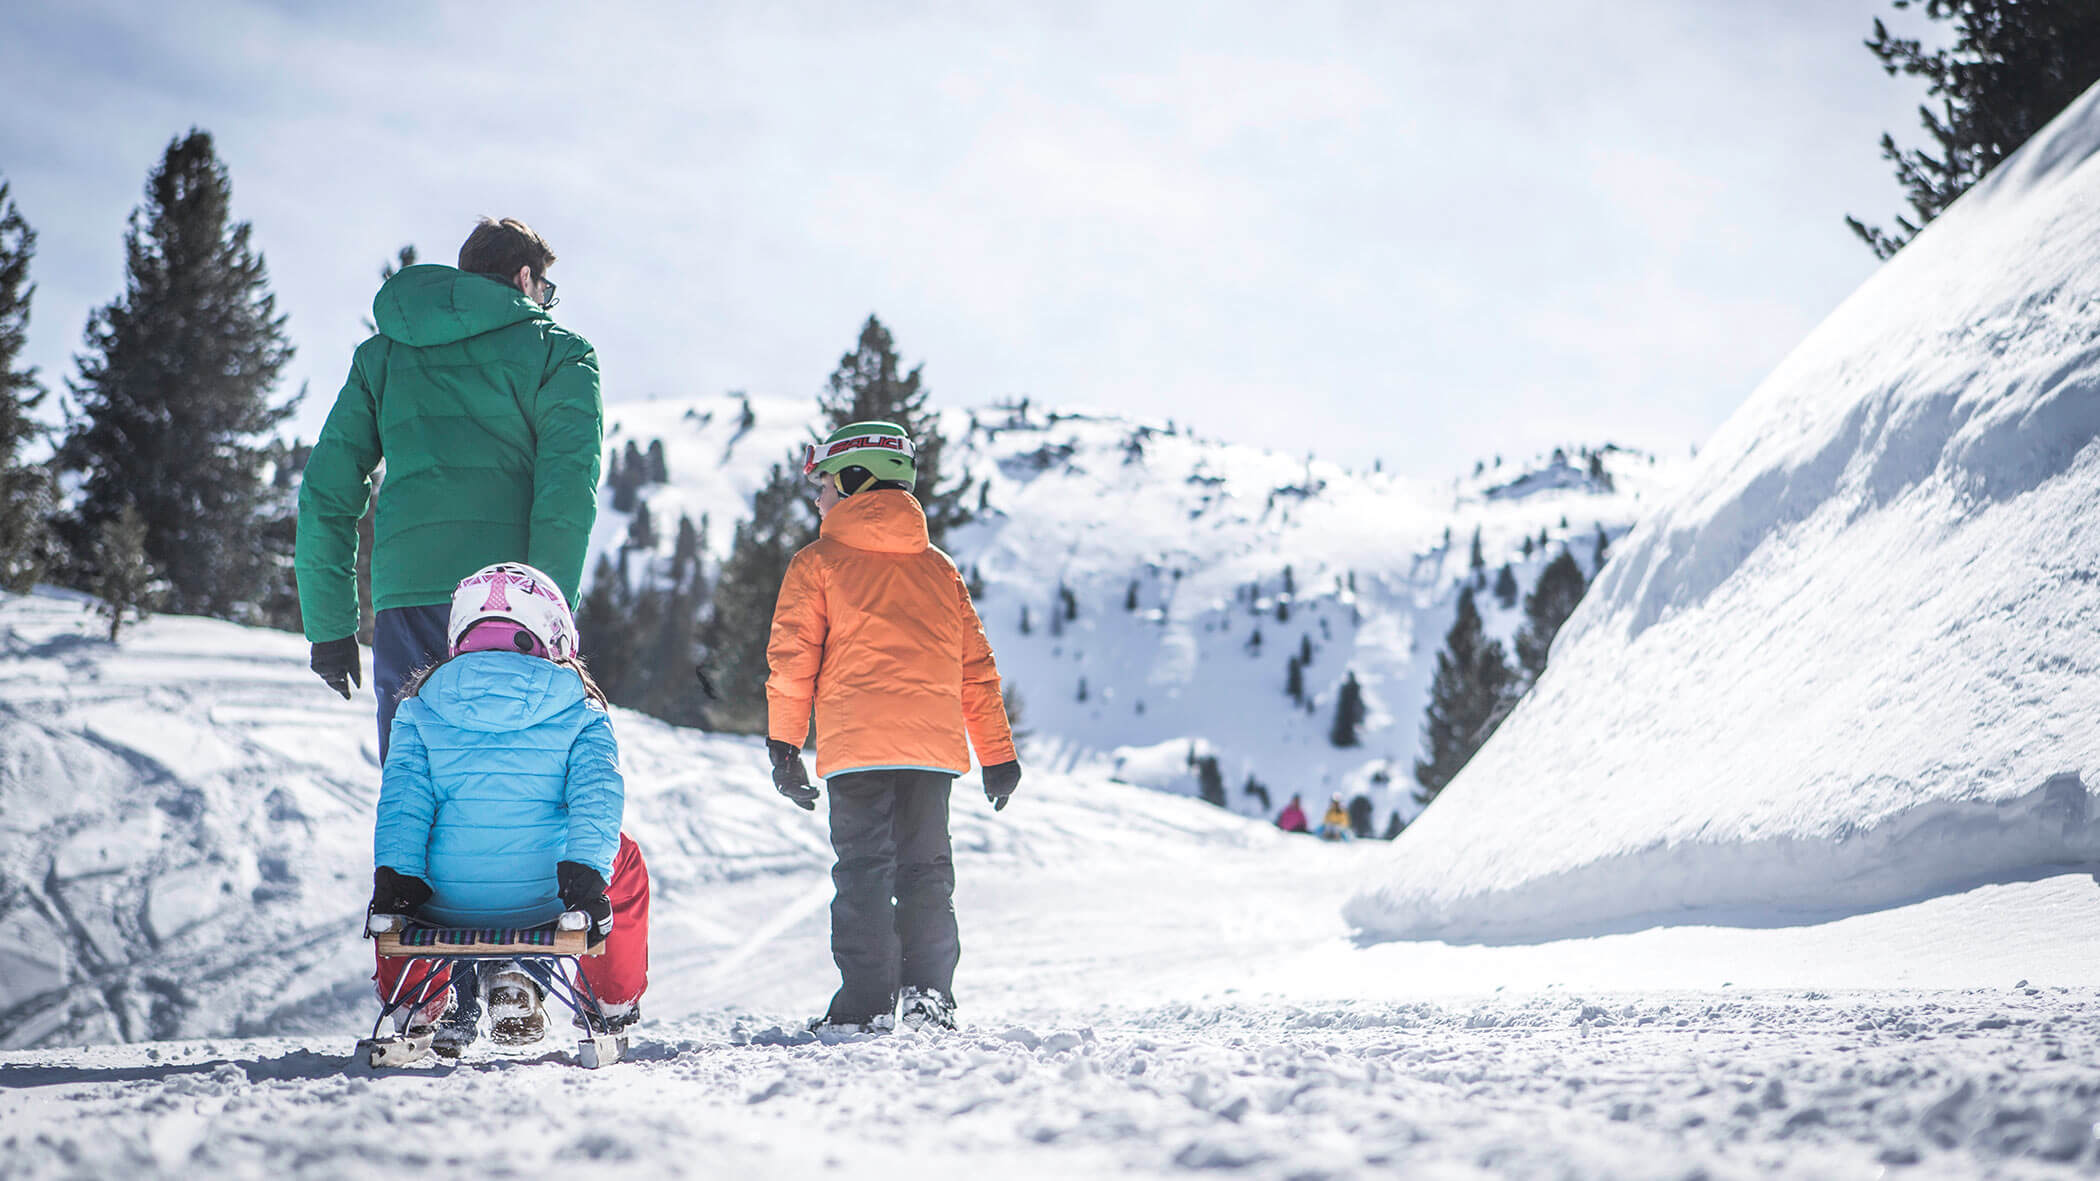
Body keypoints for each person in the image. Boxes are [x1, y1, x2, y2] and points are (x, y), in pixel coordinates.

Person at [295, 217, 602, 761]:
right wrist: (550, 614)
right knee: (511, 788)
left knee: (413, 783)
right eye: (545, 289)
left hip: (407, 601)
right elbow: (567, 495)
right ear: (525, 278)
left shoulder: (383, 357)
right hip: (511, 607)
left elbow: (327, 491)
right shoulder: (559, 353)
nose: (545, 302)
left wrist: (330, 626)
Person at [764, 422, 1021, 1035]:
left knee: (864, 874)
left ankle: (865, 1006)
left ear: (856, 481)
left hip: (857, 751)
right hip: (931, 753)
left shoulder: (817, 563)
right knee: (927, 873)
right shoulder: (940, 569)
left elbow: (793, 660)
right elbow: (976, 669)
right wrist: (997, 755)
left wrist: (785, 745)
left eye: (825, 485)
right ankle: (930, 997)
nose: (818, 499)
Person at [367, 563, 650, 1055]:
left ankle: (415, 1003)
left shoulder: (418, 708)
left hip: (443, 906)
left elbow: (402, 810)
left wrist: (396, 889)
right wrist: (585, 880)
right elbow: (597, 800)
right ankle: (610, 1003)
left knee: (398, 870)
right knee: (623, 857)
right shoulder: (581, 709)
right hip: (548, 900)